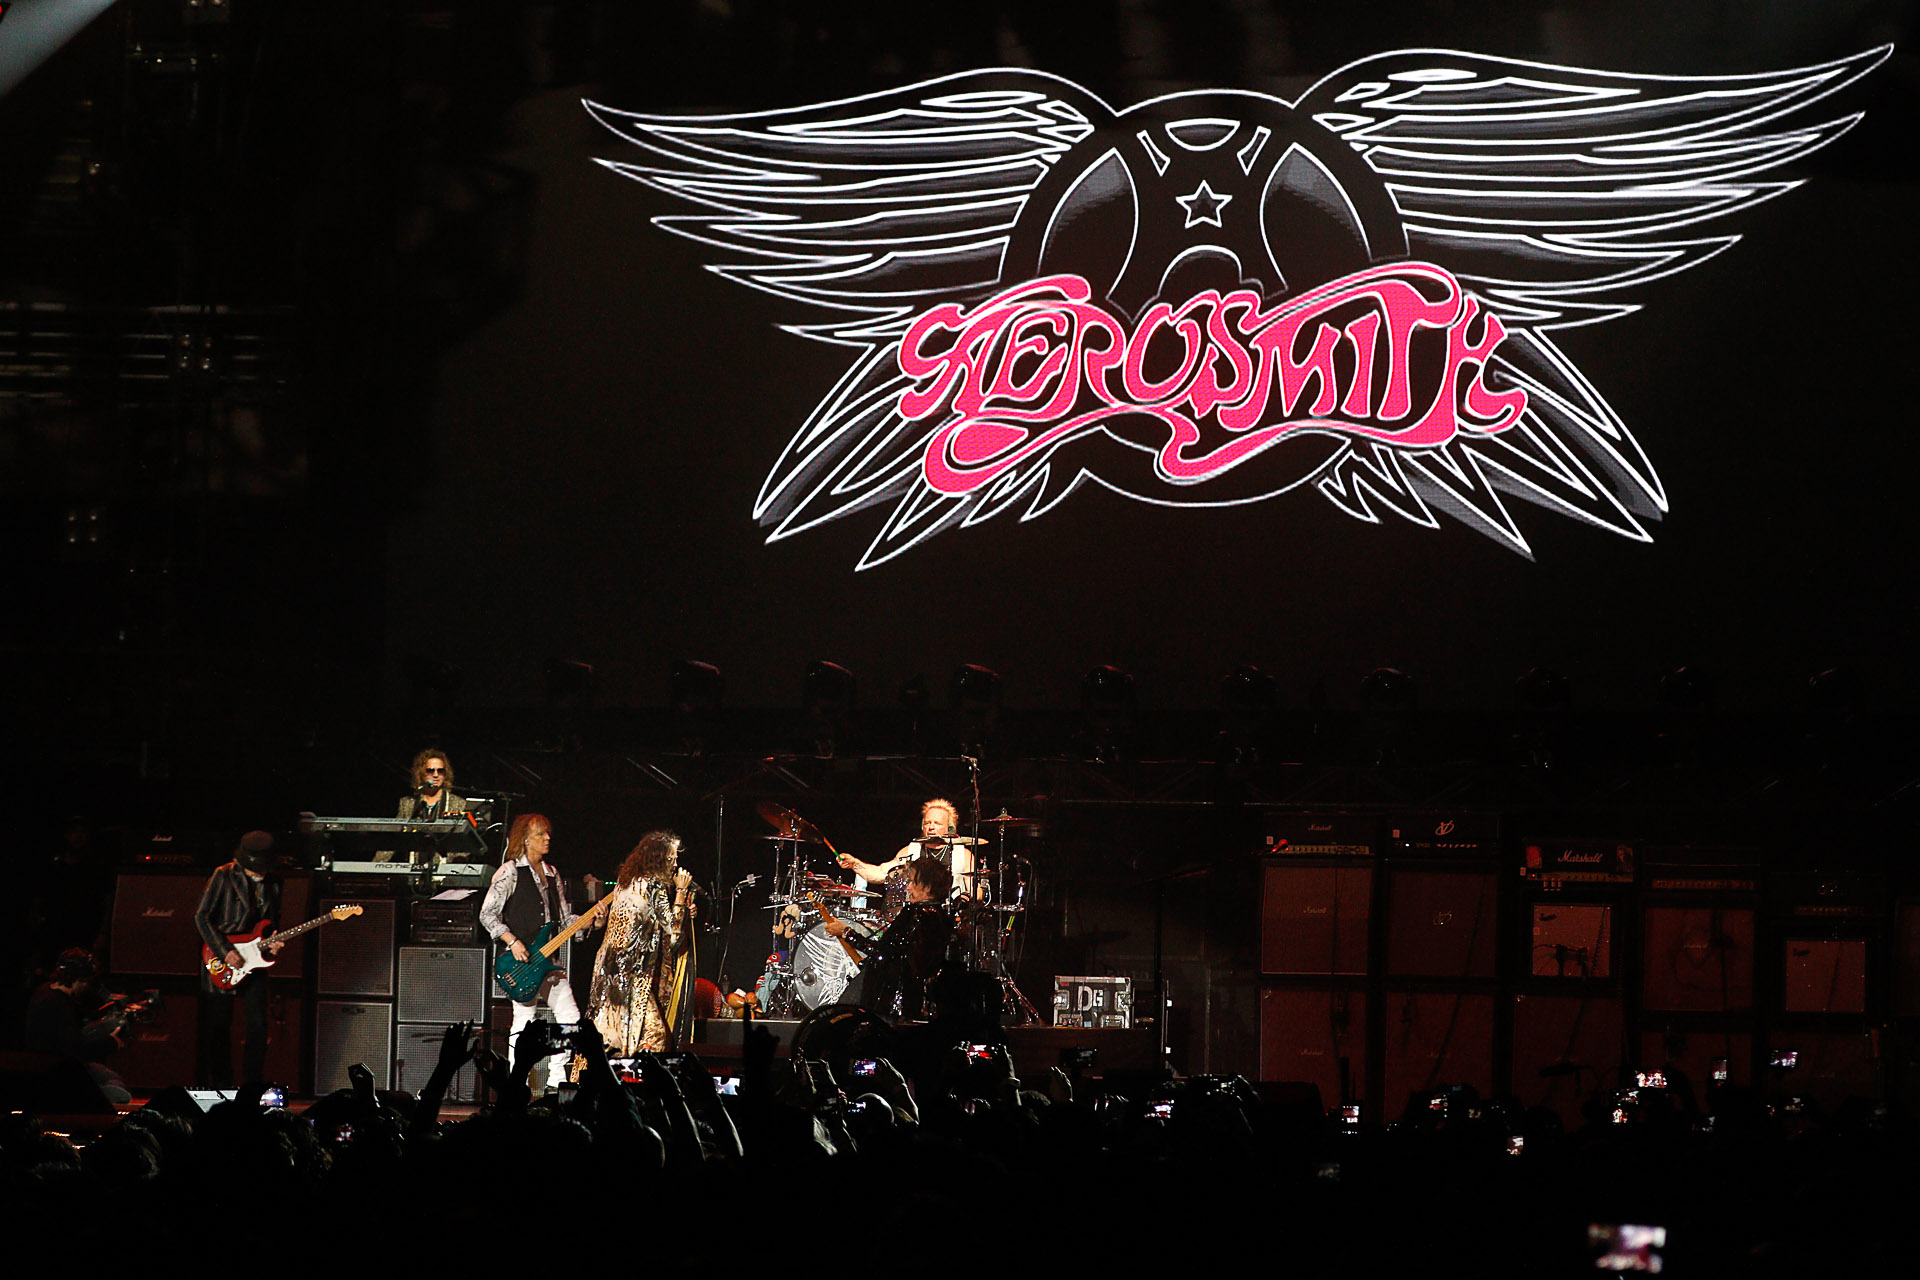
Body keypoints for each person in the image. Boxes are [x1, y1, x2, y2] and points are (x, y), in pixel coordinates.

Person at [479, 813, 588, 1087]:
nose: (547, 838)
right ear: (525, 840)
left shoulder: (552, 873)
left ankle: (556, 1081)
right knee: (524, 1021)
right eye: (540, 834)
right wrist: (513, 941)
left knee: (571, 1018)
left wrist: (589, 922)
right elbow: (487, 914)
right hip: (522, 963)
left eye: (547, 833)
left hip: (549, 961)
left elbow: (564, 920)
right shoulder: (510, 871)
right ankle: (518, 1083)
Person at [582, 830, 696, 1058]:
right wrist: (681, 892)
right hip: (631, 973)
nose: (675, 865)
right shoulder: (654, 885)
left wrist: (682, 909)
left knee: (610, 1037)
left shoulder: (625, 881)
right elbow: (673, 935)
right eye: (671, 859)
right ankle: (637, 1079)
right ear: (658, 859)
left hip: (608, 969)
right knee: (654, 1036)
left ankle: (605, 1077)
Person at [192, 830, 283, 1088]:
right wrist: (225, 951)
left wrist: (273, 942)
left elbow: (272, 921)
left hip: (255, 960)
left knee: (258, 1026)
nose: (260, 873)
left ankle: (253, 1084)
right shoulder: (223, 875)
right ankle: (221, 1085)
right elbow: (201, 917)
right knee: (219, 1026)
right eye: (255, 868)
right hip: (221, 957)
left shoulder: (275, 882)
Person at [836, 797, 975, 921]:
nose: (931, 827)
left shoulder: (963, 854)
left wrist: (963, 900)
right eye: (928, 823)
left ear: (950, 828)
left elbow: (976, 891)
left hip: (951, 919)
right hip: (916, 919)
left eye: (937, 823)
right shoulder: (911, 850)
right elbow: (880, 874)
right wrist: (854, 864)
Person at [23, 948, 132, 1105]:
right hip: (56, 1069)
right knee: (113, 1082)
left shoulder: (45, 991)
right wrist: (111, 1042)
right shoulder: (58, 1004)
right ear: (81, 980)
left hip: (48, 1064)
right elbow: (77, 1049)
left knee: (106, 1076)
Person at [376, 747, 468, 862]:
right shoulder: (408, 803)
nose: (436, 775)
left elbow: (463, 844)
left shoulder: (458, 803)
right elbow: (394, 839)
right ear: (421, 773)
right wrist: (374, 866)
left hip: (445, 869)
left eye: (440, 771)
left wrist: (457, 867)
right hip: (413, 867)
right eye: (430, 771)